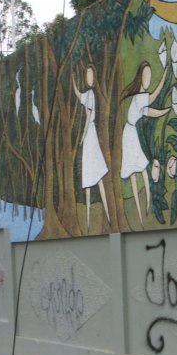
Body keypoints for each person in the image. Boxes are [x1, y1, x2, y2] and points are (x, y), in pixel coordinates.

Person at [119, 61, 170, 226]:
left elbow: (150, 112)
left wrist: (165, 111)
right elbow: (154, 96)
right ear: (140, 77)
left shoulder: (140, 99)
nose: (148, 79)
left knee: (141, 167)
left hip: (132, 133)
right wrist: (164, 76)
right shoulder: (139, 97)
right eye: (146, 75)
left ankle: (147, 204)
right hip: (129, 134)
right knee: (133, 172)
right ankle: (141, 214)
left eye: (150, 75)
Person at [72, 65, 110, 232]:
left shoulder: (93, 94)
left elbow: (88, 117)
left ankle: (107, 215)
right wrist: (73, 81)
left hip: (90, 136)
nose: (89, 77)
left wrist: (82, 136)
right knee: (88, 178)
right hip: (88, 137)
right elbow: (79, 95)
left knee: (98, 175)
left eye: (91, 74)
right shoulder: (87, 94)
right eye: (87, 74)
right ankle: (87, 220)